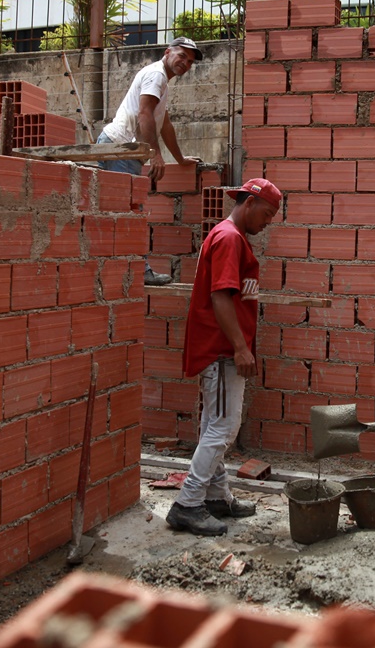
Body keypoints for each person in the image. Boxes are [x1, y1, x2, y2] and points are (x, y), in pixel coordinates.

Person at [165, 178, 282, 536]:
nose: (268, 222)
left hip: (221, 348)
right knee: (223, 427)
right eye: (267, 213)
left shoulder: (227, 236)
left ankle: (217, 497)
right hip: (221, 350)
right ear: (249, 204)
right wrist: (240, 347)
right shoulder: (229, 238)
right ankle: (187, 504)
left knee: (215, 425)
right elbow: (220, 297)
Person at [97, 35, 203, 285]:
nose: (185, 64)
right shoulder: (156, 75)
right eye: (182, 56)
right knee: (132, 212)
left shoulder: (161, 80)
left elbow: (163, 124)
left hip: (122, 150)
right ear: (168, 52)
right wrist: (155, 154)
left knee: (121, 212)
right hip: (122, 149)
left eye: (189, 62)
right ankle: (140, 271)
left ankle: (120, 269)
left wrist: (179, 158)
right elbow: (144, 114)